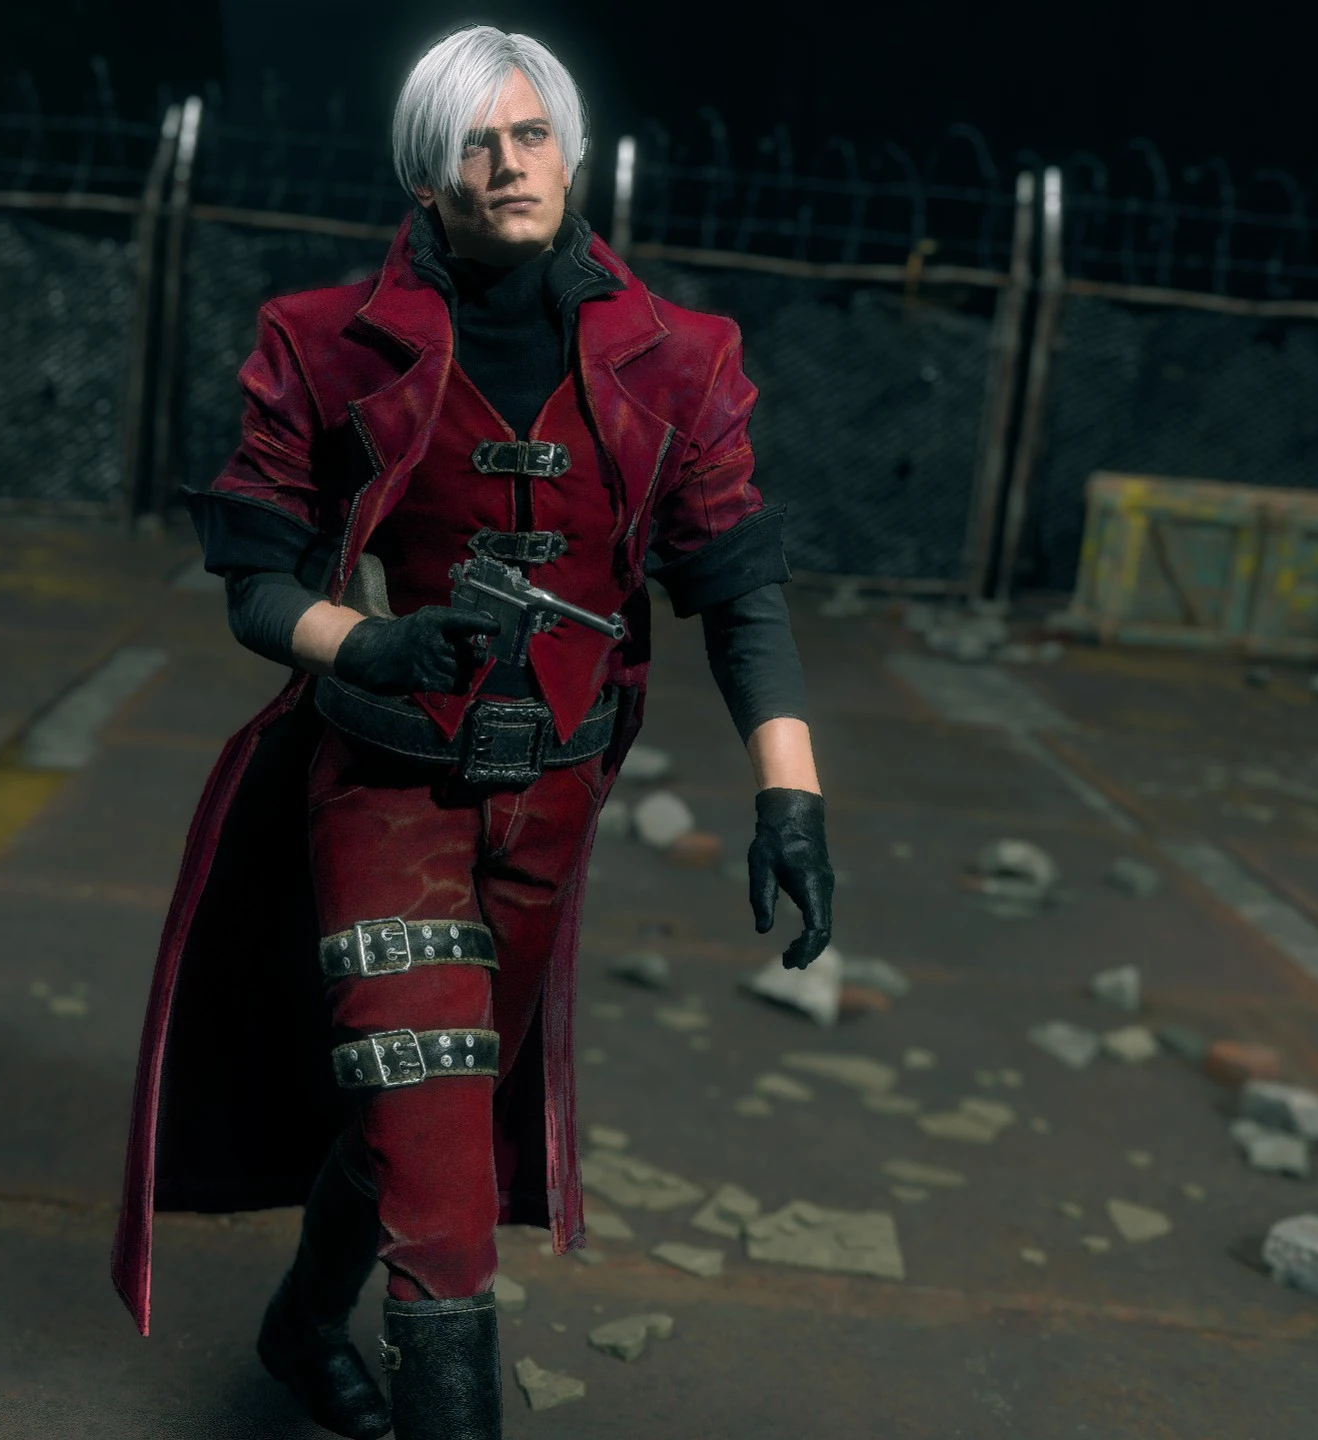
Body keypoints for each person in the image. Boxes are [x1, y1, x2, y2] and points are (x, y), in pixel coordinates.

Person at [112, 25, 833, 1439]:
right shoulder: (323, 341)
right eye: (475, 143)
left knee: (421, 1115)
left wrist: (790, 798)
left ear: (570, 150)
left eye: (531, 134)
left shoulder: (683, 360)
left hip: (553, 801)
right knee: (439, 1175)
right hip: (387, 789)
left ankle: (301, 1323)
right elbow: (255, 579)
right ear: (428, 173)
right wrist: (365, 641)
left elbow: (740, 595)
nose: (508, 164)